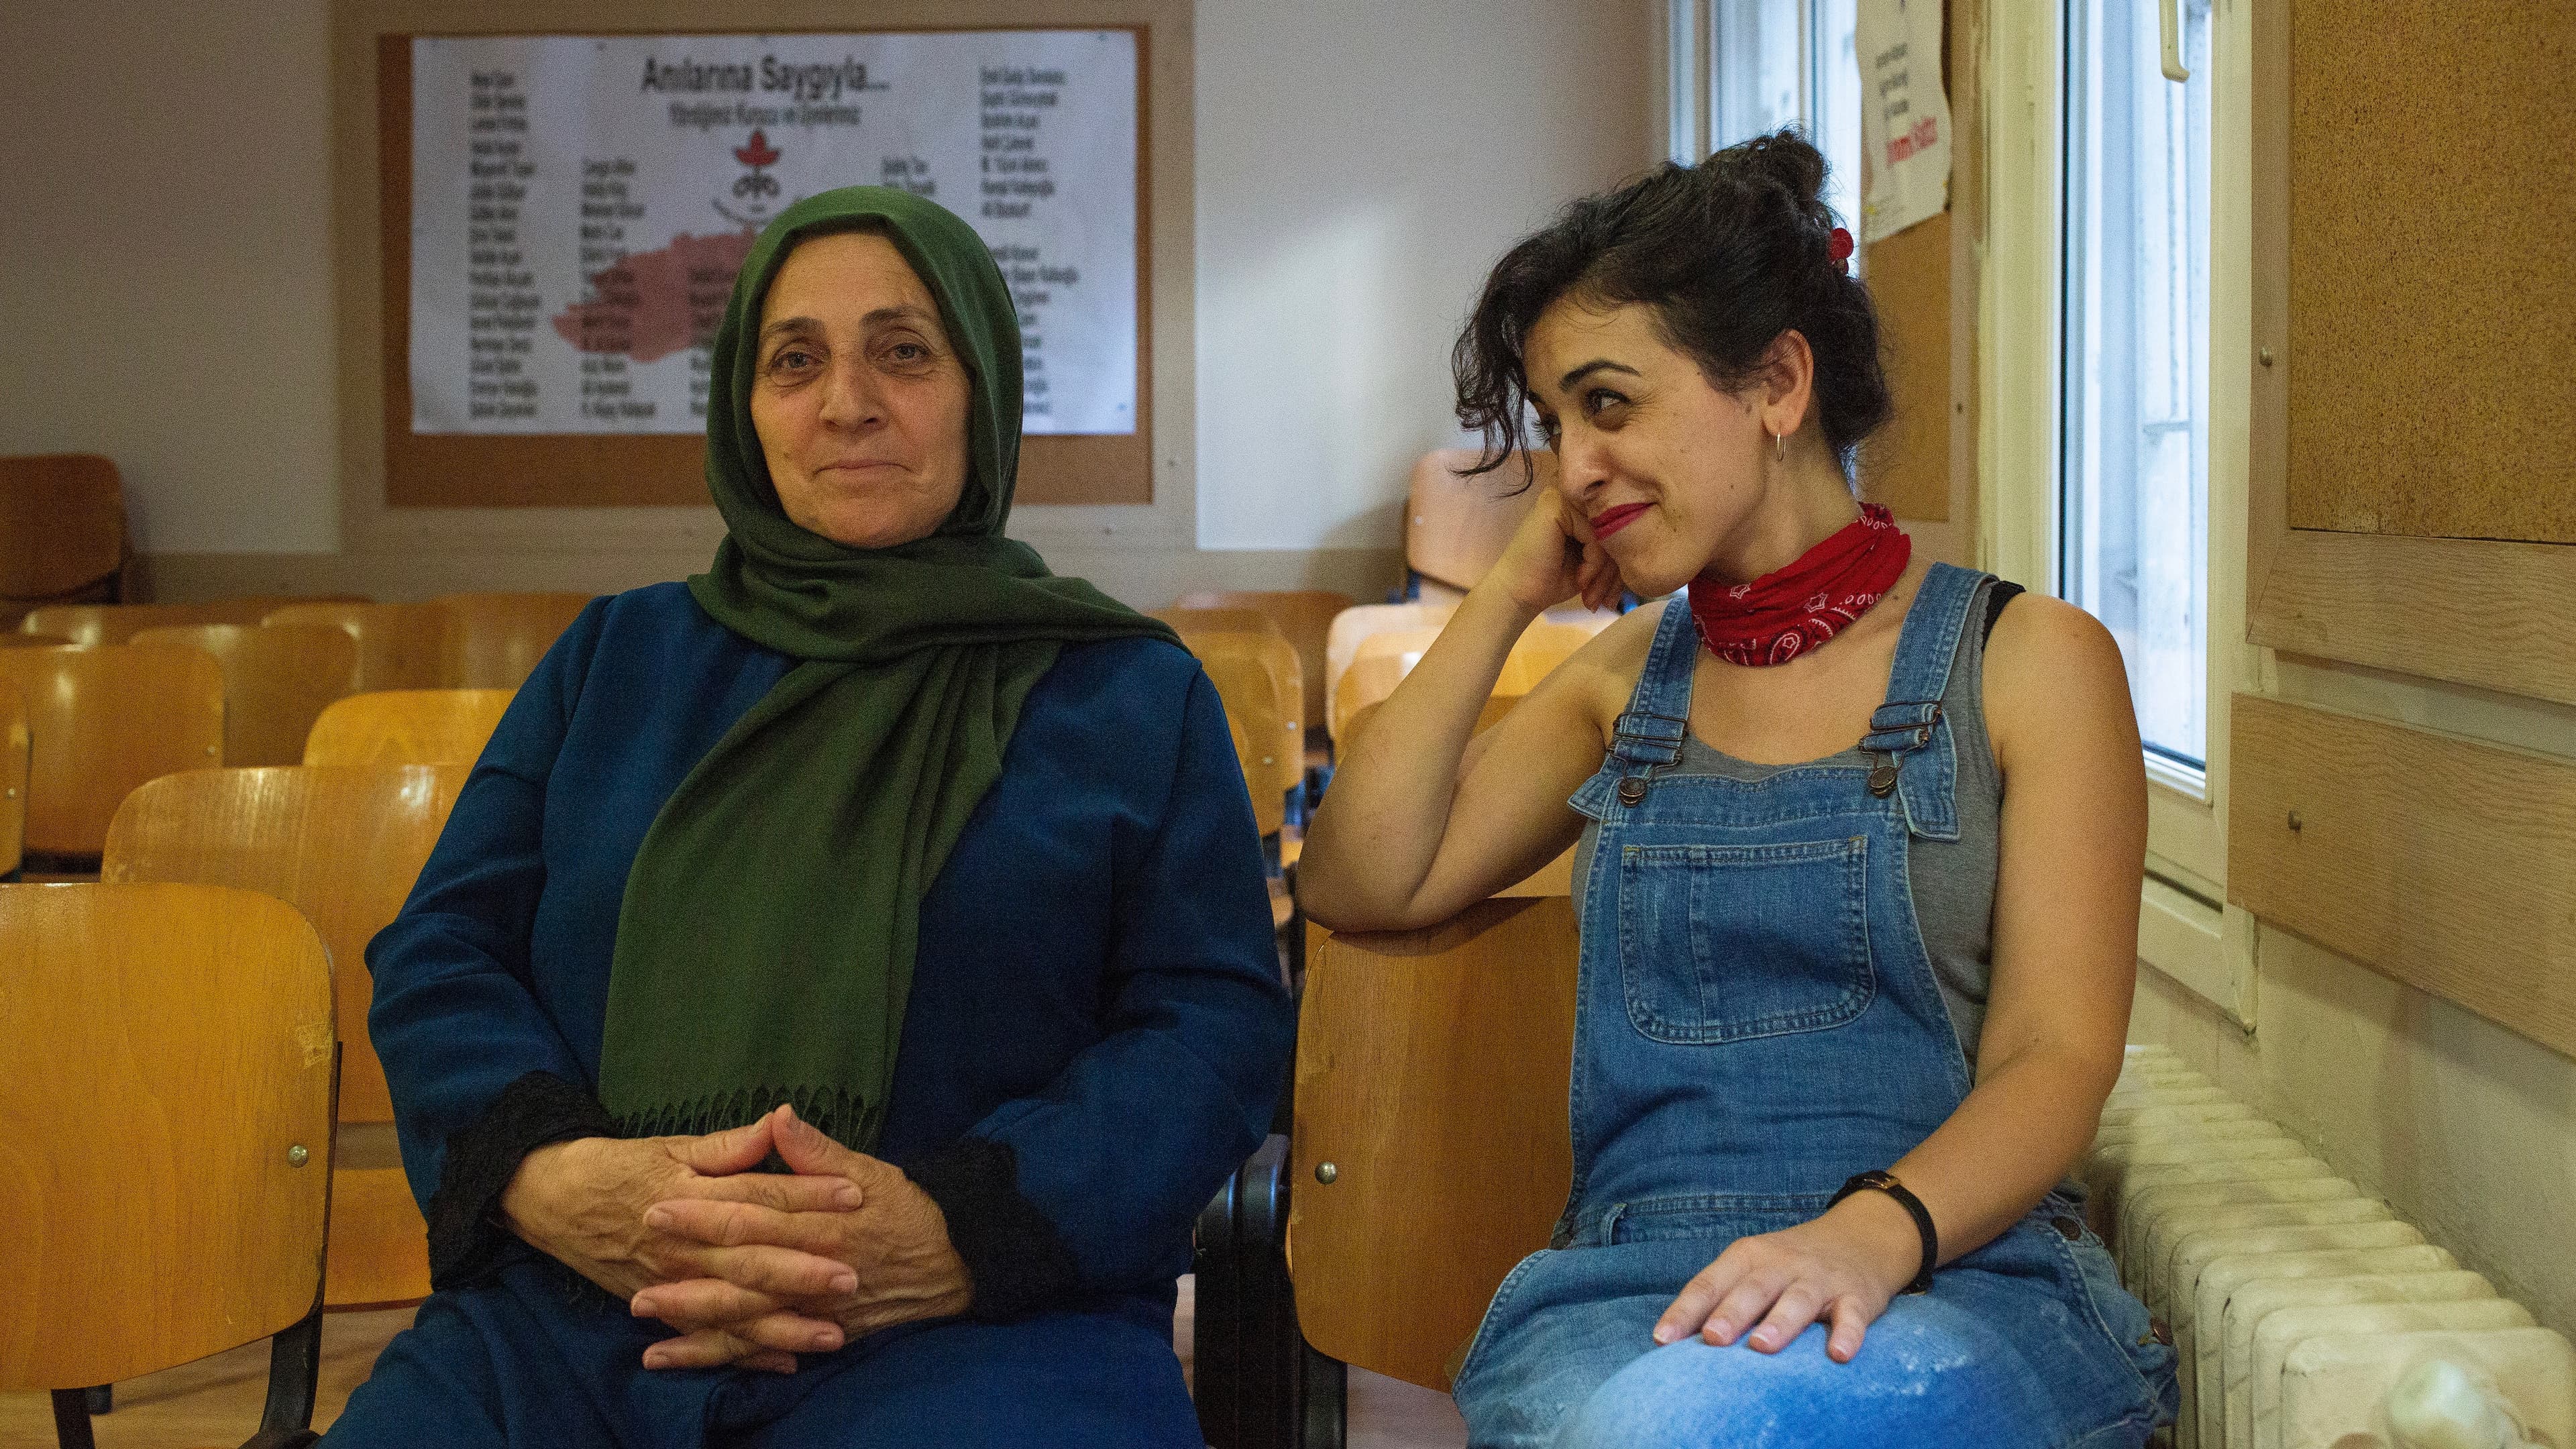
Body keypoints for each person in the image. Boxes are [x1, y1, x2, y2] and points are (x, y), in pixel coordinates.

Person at [327, 186, 1291, 1447]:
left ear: (983, 390)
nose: (847, 402)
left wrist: (956, 1230)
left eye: (904, 351)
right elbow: (440, 956)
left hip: (977, 1331)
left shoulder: (1126, 693)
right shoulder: (615, 661)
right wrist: (553, 1177)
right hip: (567, 1325)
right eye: (795, 362)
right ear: (746, 405)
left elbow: (1209, 1022)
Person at [1297, 131, 2178, 1448]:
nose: (1575, 465)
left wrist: (1872, 1236)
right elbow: (1363, 875)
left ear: (1776, 382)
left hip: (1958, 1280)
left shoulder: (2030, 664)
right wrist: (1508, 588)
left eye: (1609, 404)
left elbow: (2059, 1058)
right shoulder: (1622, 686)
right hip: (1628, 1303)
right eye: (1555, 425)